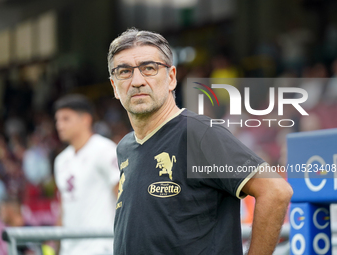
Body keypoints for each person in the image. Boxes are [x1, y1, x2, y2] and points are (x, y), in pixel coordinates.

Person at [107, 28, 293, 255]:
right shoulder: (126, 147)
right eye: (124, 71)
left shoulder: (198, 133)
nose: (137, 81)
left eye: (149, 68)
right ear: (115, 86)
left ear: (171, 78)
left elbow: (275, 191)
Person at [54, 94, 119, 255]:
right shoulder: (60, 161)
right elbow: (64, 209)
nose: (59, 125)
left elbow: (123, 198)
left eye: (66, 119)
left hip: (101, 247)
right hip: (69, 249)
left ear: (85, 119)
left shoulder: (104, 150)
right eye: (57, 120)